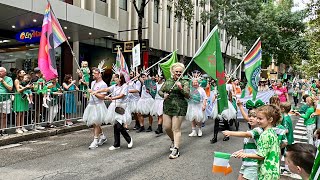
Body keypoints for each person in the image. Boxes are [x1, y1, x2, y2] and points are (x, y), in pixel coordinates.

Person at [234, 105, 281, 180]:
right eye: (257, 118)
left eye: (260, 118)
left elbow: (261, 155)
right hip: (273, 170)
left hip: (266, 172)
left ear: (270, 119)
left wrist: (245, 154)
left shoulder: (264, 135)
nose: (258, 120)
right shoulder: (272, 132)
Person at [158, 62, 189, 159]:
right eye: (177, 71)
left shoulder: (185, 82)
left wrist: (180, 88)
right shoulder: (168, 81)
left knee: (176, 128)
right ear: (172, 71)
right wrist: (163, 95)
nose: (178, 73)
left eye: (180, 72)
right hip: (167, 106)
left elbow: (188, 95)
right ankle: (173, 140)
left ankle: (176, 149)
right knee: (167, 127)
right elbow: (160, 91)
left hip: (179, 107)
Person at [93, 74, 133, 150]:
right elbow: (106, 89)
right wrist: (97, 91)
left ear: (120, 79)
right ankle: (116, 144)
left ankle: (129, 139)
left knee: (119, 125)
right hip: (114, 106)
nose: (114, 80)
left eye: (115, 78)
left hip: (122, 107)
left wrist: (111, 98)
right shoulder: (114, 86)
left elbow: (121, 95)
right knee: (116, 125)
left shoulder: (125, 86)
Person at [223, 107, 263, 180]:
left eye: (254, 117)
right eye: (250, 116)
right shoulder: (251, 130)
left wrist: (230, 133)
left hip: (253, 164)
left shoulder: (258, 131)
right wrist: (241, 152)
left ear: (259, 119)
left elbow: (245, 134)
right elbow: (253, 147)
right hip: (246, 163)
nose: (251, 118)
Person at [83, 67, 108, 149]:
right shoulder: (93, 82)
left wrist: (94, 93)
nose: (92, 74)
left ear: (99, 74)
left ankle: (95, 140)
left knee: (96, 123)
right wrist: (88, 95)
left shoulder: (103, 84)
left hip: (98, 105)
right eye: (92, 73)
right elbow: (91, 93)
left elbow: (102, 97)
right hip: (91, 105)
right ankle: (102, 136)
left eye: (94, 73)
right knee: (94, 123)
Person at [186, 72, 207, 137]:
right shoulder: (190, 89)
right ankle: (193, 131)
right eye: (194, 83)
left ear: (198, 83)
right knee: (192, 118)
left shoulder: (201, 89)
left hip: (199, 105)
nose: (195, 84)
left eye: (196, 82)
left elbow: (205, 98)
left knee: (198, 119)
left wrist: (204, 105)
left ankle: (199, 129)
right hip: (192, 105)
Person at [0, 67, 13, 135]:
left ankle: (3, 129)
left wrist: (3, 81)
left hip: (5, 100)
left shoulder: (9, 79)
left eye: (1, 71)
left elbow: (10, 88)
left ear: (5, 72)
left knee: (4, 115)